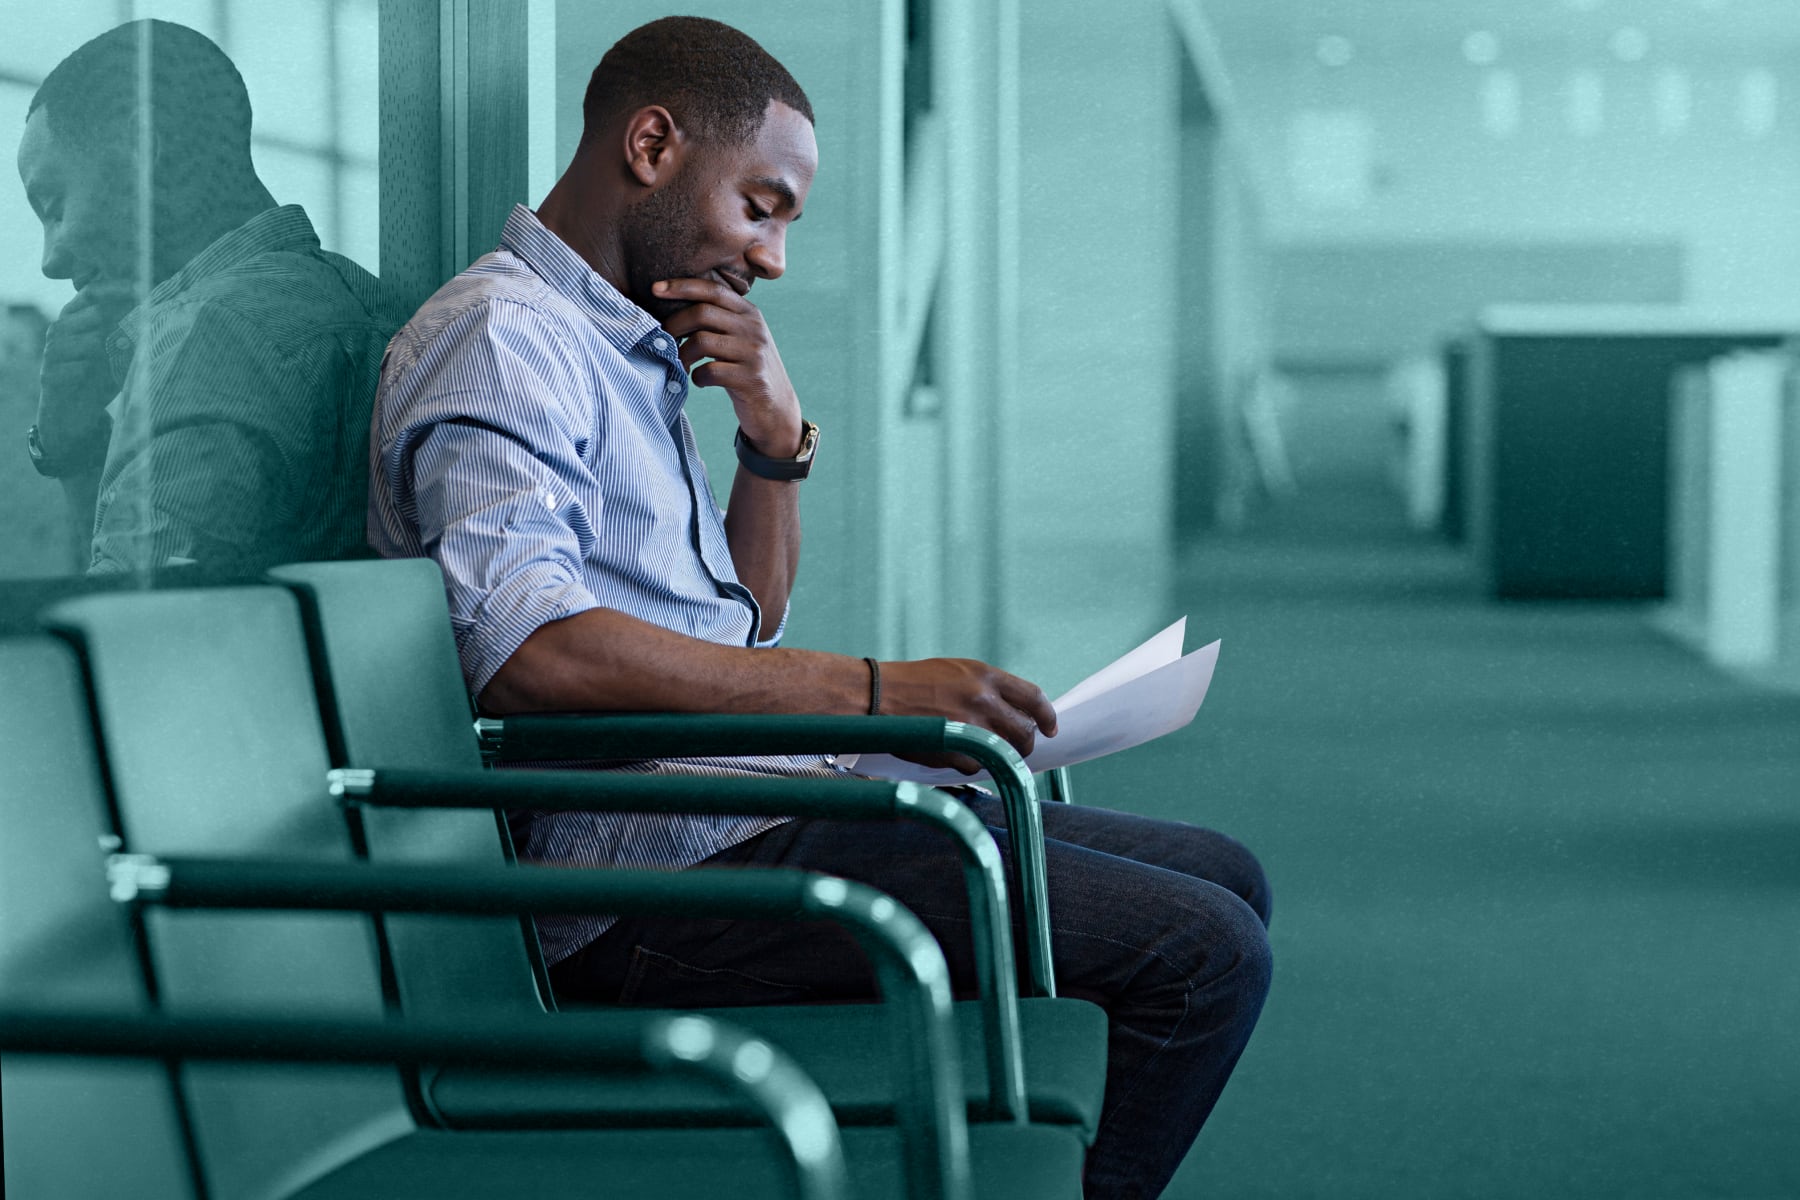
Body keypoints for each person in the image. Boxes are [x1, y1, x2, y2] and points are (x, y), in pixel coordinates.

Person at [370, 16, 1271, 1199]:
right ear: (651, 144)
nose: (776, 256)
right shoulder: (505, 340)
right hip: (640, 888)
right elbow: (530, 655)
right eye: (764, 205)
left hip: (740, 812)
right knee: (1201, 954)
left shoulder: (622, 348)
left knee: (1227, 875)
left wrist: (776, 444)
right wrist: (881, 694)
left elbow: (742, 624)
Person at [14, 19, 396, 575]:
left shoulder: (210, 334)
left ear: (143, 148)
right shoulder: (367, 301)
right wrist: (75, 453)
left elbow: (130, 638)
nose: (52, 260)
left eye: (54, 206)